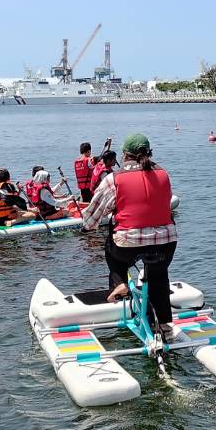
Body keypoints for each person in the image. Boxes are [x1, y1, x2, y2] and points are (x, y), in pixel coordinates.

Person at [82, 133, 179, 333]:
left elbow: (90, 220)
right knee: (158, 275)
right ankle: (164, 323)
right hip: (166, 242)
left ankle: (120, 283)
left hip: (128, 244)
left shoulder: (114, 179)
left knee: (111, 251)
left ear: (125, 155)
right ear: (149, 153)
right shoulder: (163, 174)